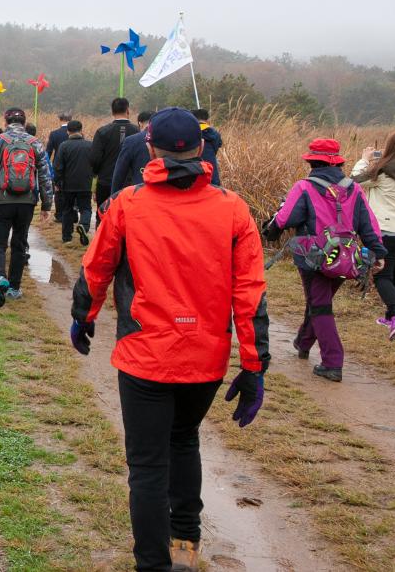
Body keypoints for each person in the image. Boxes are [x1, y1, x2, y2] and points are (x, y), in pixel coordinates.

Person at [70, 107, 270, 572]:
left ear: (150, 146)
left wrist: (85, 316)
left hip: (145, 356)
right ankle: (185, 539)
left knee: (147, 465)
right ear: (201, 149)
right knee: (184, 440)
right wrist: (255, 366)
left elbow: (96, 266)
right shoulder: (233, 208)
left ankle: (152, 563)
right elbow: (250, 292)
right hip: (206, 356)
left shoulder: (127, 204)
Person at [266, 138, 386, 380]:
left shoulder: (304, 187)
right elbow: (368, 224)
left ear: (312, 161)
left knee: (320, 305)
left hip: (313, 258)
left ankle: (332, 362)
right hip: (346, 257)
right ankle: (303, 341)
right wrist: (378, 253)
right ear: (337, 162)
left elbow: (285, 218)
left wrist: (271, 230)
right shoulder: (354, 188)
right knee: (319, 300)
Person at [0, 107, 53, 307]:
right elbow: (45, 177)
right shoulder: (34, 143)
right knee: (20, 243)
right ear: (25, 122)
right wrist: (46, 204)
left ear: (6, 121)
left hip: (1, 199)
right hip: (26, 202)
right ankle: (14, 288)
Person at [353, 131, 395, 339]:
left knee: (382, 276)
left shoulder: (381, 171)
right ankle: (390, 316)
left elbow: (353, 182)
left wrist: (364, 160)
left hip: (386, 231)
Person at [90, 97, 140, 211]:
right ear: (128, 110)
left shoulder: (102, 132)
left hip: (106, 181)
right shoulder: (138, 131)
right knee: (128, 215)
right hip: (131, 183)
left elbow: (94, 159)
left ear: (112, 112)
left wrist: (97, 173)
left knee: (105, 215)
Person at [52, 120, 94, 247]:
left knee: (67, 210)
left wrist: (57, 182)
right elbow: (95, 163)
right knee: (86, 208)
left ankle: (67, 237)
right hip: (85, 183)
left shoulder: (64, 146)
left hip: (68, 184)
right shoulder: (90, 145)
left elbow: (58, 166)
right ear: (81, 130)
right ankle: (84, 226)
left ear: (68, 131)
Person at [111, 111, 155, 194]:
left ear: (140, 123)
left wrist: (113, 196)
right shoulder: (167, 139)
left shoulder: (131, 141)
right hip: (164, 194)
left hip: (139, 191)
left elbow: (119, 173)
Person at [191, 108, 223, 186]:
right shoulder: (215, 133)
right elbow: (218, 145)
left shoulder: (191, 133)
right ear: (206, 119)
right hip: (212, 175)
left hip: (195, 175)